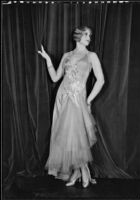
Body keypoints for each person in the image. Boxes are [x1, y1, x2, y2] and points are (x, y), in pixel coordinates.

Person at [38, 26, 105, 188]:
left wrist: (88, 100)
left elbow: (101, 80)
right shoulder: (66, 56)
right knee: (66, 137)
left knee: (76, 136)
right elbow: (55, 78)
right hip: (62, 98)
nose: (89, 37)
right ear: (78, 36)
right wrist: (48, 60)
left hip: (77, 100)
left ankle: (83, 170)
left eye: (90, 34)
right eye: (86, 34)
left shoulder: (91, 56)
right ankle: (77, 171)